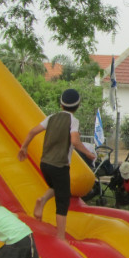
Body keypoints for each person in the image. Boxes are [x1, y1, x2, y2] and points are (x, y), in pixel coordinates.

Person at [17, 88, 96, 241]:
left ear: (61, 105)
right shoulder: (73, 121)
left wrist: (24, 147)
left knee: (56, 186)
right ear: (78, 106)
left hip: (44, 163)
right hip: (60, 166)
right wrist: (87, 153)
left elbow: (32, 132)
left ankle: (42, 200)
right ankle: (61, 237)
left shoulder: (51, 117)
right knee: (63, 200)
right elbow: (74, 141)